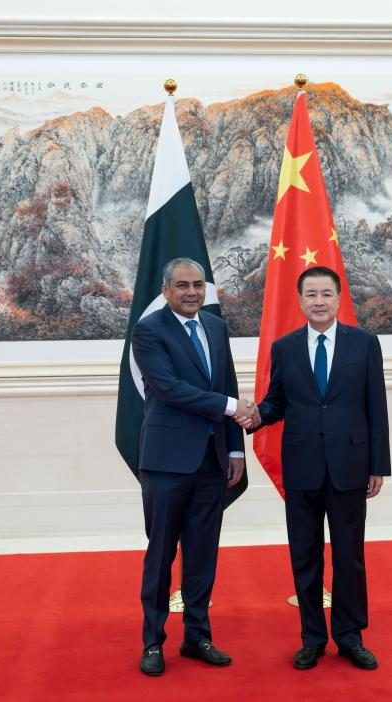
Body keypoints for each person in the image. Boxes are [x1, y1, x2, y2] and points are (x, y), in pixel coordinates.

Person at [238, 265, 391, 671]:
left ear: (338, 299)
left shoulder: (364, 344)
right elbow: (277, 402)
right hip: (302, 467)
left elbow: (376, 406)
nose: (319, 301)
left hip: (349, 466)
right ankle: (312, 638)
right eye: (311, 294)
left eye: (326, 294)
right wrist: (257, 415)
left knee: (349, 557)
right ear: (300, 300)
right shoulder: (285, 348)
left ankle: (350, 636)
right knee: (305, 557)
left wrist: (378, 464)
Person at [130, 257, 251, 677]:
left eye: (198, 285)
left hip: (212, 461)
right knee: (162, 552)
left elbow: (227, 383)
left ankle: (197, 636)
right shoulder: (148, 331)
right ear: (165, 290)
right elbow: (170, 389)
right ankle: (152, 641)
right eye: (182, 285)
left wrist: (235, 450)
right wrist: (233, 407)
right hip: (166, 461)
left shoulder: (215, 327)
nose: (192, 292)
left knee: (202, 552)